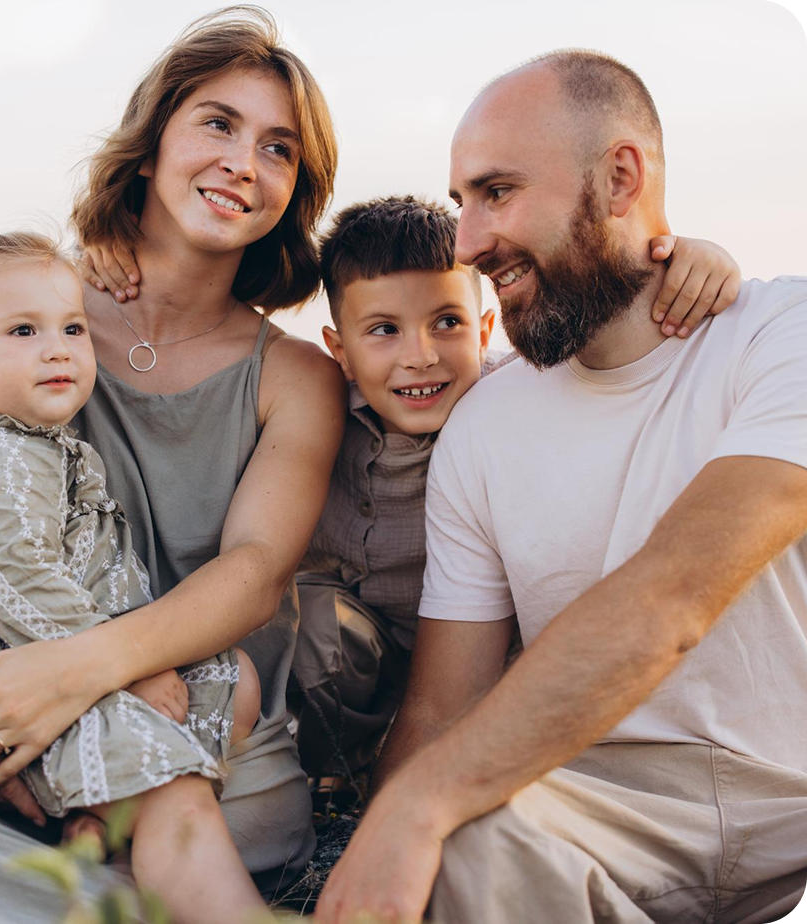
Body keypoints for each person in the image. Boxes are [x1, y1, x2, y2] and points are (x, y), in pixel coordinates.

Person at [317, 51, 807, 924]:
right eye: (462, 201)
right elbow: (439, 706)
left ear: (620, 177)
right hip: (589, 804)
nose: (466, 241)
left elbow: (672, 598)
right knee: (462, 846)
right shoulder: (485, 422)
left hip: (795, 797)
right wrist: (390, 828)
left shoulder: (782, 337)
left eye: (496, 193)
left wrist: (422, 799)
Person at [0, 9, 343, 923]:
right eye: (217, 123)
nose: (243, 163)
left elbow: (254, 574)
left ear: (294, 191)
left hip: (201, 726)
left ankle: (100, 885)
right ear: (150, 143)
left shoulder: (293, 375)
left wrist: (82, 671)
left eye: (279, 149)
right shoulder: (29, 323)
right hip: (0, 707)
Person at [287, 194, 741, 779]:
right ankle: (335, 773)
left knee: (538, 673)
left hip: (488, 650)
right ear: (340, 352)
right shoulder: (319, 413)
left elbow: (615, 326)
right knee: (314, 628)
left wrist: (700, 259)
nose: (419, 357)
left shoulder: (526, 388)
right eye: (383, 331)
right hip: (366, 639)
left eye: (446, 323)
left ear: (484, 330)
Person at [0, 231, 267, 922]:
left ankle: (99, 821)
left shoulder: (37, 446)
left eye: (72, 328)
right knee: (176, 797)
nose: (57, 347)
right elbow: (17, 583)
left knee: (232, 677)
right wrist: (122, 668)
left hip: (78, 659)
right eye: (23, 331)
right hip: (39, 678)